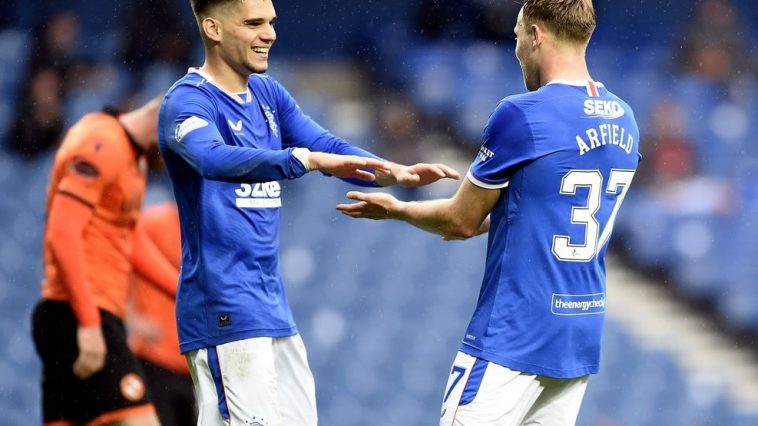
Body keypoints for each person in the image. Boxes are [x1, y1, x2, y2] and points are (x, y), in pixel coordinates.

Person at [338, 1, 641, 424]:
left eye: (516, 36)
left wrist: (398, 210)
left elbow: (461, 221)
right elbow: (542, 210)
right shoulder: (625, 119)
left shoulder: (523, 114)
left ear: (535, 35)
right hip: (577, 339)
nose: (516, 50)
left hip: (514, 335)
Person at [157, 1, 460, 425]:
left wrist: (390, 171)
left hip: (272, 307)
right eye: (254, 23)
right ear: (213, 28)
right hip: (223, 306)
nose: (269, 34)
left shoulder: (267, 94)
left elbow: (328, 147)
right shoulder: (187, 102)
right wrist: (303, 160)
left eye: (271, 22)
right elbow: (211, 158)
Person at [32, 97, 179, 426]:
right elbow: (62, 233)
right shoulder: (102, 141)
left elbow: (127, 239)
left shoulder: (133, 160)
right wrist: (88, 324)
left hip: (86, 313)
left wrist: (180, 290)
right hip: (79, 312)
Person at [128, 202, 197, 426]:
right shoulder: (157, 223)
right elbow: (115, 255)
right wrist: (130, 317)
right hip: (155, 358)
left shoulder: (215, 230)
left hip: (193, 364)